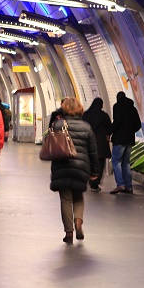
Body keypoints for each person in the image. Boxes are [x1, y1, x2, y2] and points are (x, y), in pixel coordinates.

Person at [50, 97, 100, 244]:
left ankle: (69, 232)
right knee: (78, 196)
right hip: (81, 166)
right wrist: (95, 171)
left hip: (62, 166)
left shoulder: (58, 125)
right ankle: (78, 221)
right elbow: (93, 151)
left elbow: (51, 146)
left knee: (65, 199)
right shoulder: (86, 127)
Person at [109, 91, 141, 195]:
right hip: (130, 139)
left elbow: (117, 121)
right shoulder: (132, 108)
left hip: (119, 139)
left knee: (116, 160)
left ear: (118, 98)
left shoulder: (117, 106)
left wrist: (109, 131)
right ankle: (129, 187)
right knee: (126, 162)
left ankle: (120, 184)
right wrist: (131, 131)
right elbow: (138, 124)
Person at [82, 97, 112, 191]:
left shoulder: (86, 115)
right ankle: (95, 183)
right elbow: (109, 128)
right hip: (101, 143)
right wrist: (107, 134)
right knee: (100, 163)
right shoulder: (104, 116)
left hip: (89, 142)